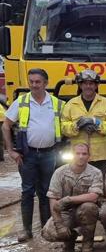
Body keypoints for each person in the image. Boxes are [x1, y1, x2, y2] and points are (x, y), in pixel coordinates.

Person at [2, 68, 64, 242]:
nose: (34, 85)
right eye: (32, 82)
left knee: (47, 192)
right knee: (27, 191)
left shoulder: (57, 103)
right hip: (27, 155)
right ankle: (27, 230)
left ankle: (46, 229)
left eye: (38, 82)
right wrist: (11, 150)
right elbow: (6, 126)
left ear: (46, 83)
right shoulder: (21, 102)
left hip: (49, 154)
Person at [41, 143, 103, 252]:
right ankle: (70, 238)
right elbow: (53, 199)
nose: (81, 156)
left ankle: (87, 242)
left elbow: (94, 196)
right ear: (71, 155)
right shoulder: (60, 172)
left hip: (83, 211)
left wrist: (69, 199)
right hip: (65, 212)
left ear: (89, 156)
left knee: (89, 207)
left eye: (84, 154)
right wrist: (59, 224)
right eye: (77, 153)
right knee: (48, 233)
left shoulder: (95, 172)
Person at [61, 69, 106, 174]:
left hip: (102, 156)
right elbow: (63, 127)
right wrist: (77, 125)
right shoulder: (71, 104)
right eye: (85, 83)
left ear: (96, 86)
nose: (88, 86)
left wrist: (96, 123)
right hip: (79, 155)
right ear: (80, 85)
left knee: (102, 186)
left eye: (91, 83)